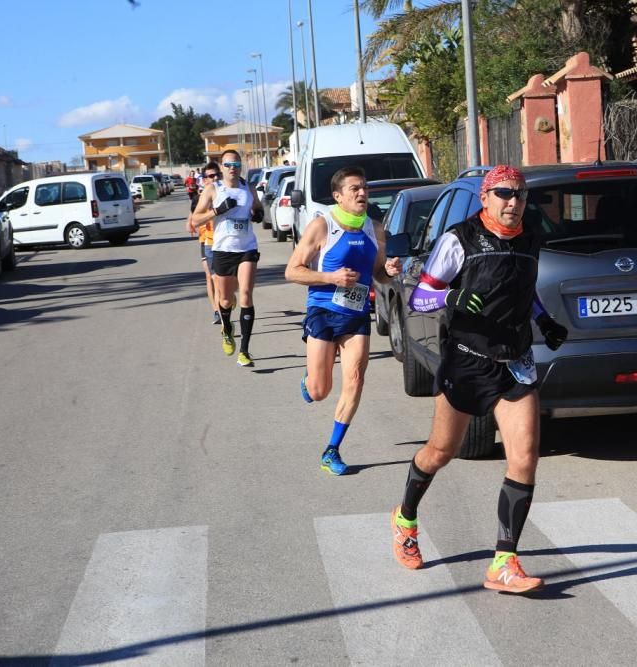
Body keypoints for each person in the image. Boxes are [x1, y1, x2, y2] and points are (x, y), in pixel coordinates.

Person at [388, 164, 568, 594]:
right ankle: (405, 518)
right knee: (440, 452)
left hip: (515, 361)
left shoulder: (530, 240)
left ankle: (504, 561)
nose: (514, 202)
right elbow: (421, 294)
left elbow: (523, 290)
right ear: (485, 198)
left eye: (520, 195)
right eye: (504, 194)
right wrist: (453, 294)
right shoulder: (460, 238)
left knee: (525, 457)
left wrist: (545, 320)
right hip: (467, 361)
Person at [285, 166, 401, 475]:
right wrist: (330, 277)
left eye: (364, 187)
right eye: (355, 189)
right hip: (323, 311)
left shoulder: (375, 229)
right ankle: (310, 384)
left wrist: (388, 272)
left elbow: (378, 275)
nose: (362, 193)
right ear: (338, 196)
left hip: (356, 313)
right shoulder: (322, 226)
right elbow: (292, 270)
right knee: (321, 390)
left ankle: (332, 450)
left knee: (355, 379)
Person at [191, 150, 265, 367]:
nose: (232, 167)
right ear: (221, 167)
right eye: (228, 164)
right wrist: (217, 210)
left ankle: (245, 351)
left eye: (236, 163)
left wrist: (258, 215)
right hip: (223, 249)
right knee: (225, 299)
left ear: (240, 166)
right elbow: (195, 219)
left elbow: (258, 208)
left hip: (247, 248)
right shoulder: (213, 189)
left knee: (245, 295)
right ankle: (227, 329)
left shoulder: (248, 189)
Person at [186, 163, 222, 324]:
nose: (214, 179)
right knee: (211, 277)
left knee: (224, 279)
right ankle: (217, 310)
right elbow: (190, 223)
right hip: (206, 241)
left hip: (225, 241)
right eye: (210, 176)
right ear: (204, 178)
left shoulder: (224, 191)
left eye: (216, 175)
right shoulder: (200, 197)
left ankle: (225, 301)